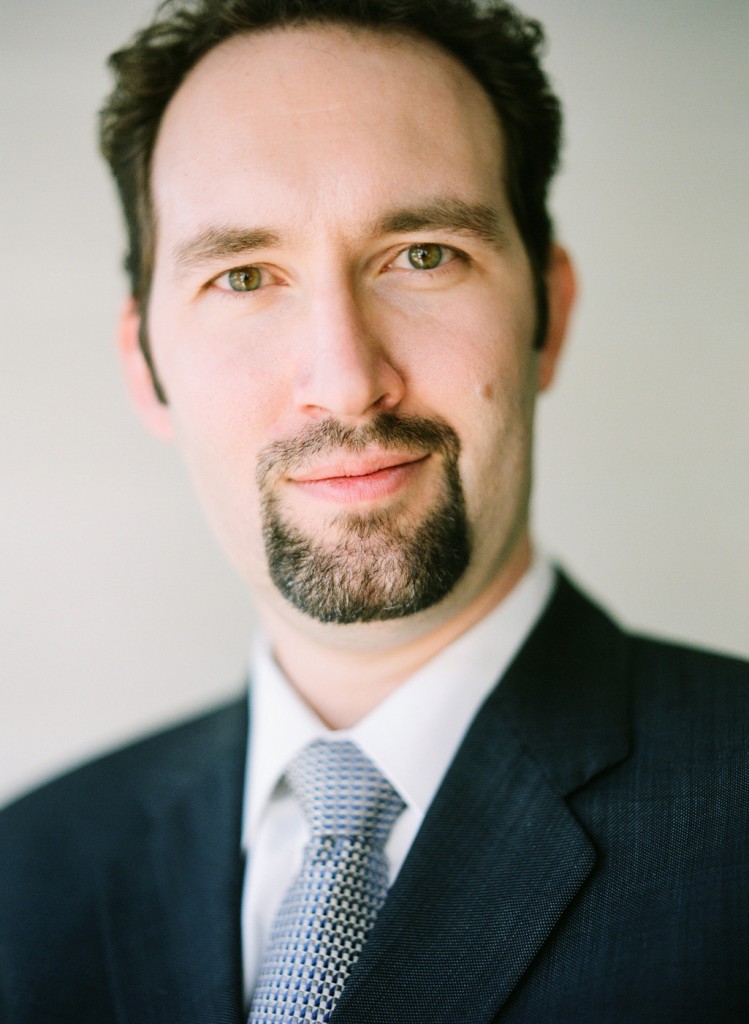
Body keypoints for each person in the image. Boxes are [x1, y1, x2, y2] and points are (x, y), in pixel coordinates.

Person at [1, 0, 746, 1021]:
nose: (348, 382)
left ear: (549, 313)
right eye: (244, 276)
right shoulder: (24, 876)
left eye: (423, 255)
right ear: (146, 368)